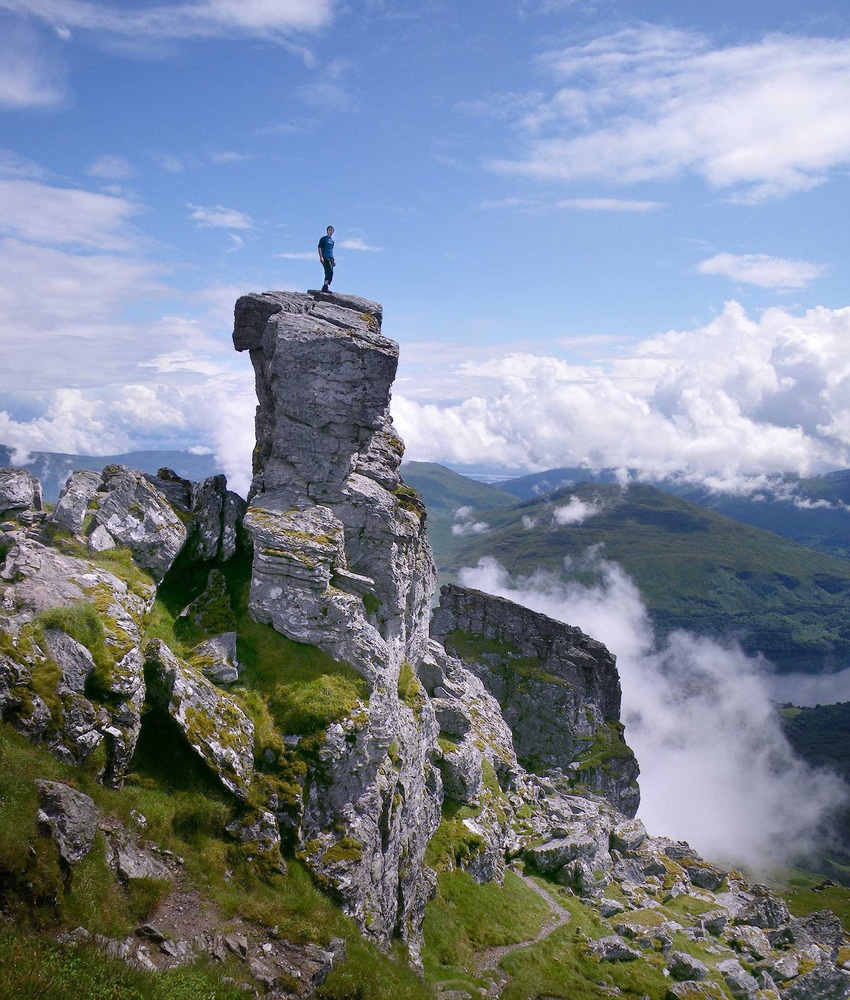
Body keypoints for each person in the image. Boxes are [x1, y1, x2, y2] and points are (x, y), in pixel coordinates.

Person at [318, 226, 335, 292]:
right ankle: (325, 286)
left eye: (332, 230)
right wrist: (321, 257)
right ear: (327, 231)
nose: (330, 231)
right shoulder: (323, 239)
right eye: (329, 230)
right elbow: (319, 248)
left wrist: (333, 260)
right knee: (329, 271)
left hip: (330, 258)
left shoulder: (332, 241)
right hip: (325, 257)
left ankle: (325, 286)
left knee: (330, 273)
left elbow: (331, 250)